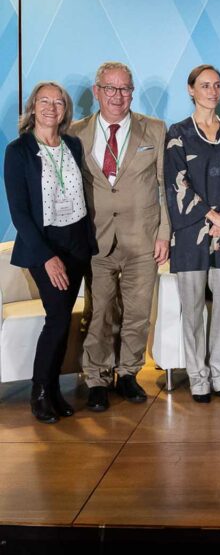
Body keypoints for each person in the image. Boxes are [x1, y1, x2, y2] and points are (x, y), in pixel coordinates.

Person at [69, 62, 170, 412]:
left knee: (138, 312)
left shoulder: (155, 130)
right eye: (110, 88)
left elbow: (165, 187)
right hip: (95, 240)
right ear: (97, 92)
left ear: (132, 92)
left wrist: (165, 233)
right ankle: (96, 378)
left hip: (143, 239)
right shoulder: (75, 133)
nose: (118, 96)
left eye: (125, 88)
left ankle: (128, 373)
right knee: (98, 313)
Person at [4, 82, 94, 422]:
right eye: (44, 101)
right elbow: (20, 212)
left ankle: (53, 390)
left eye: (58, 102)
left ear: (65, 110)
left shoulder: (72, 144)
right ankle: (40, 393)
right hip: (45, 246)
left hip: (76, 242)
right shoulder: (18, 150)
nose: (51, 107)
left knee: (63, 319)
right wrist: (46, 256)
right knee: (56, 319)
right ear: (32, 107)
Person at [164, 64, 220, 403]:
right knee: (193, 308)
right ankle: (197, 377)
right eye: (205, 85)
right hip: (190, 235)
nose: (212, 91)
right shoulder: (178, 133)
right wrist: (211, 215)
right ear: (190, 89)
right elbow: (176, 183)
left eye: (217, 85)